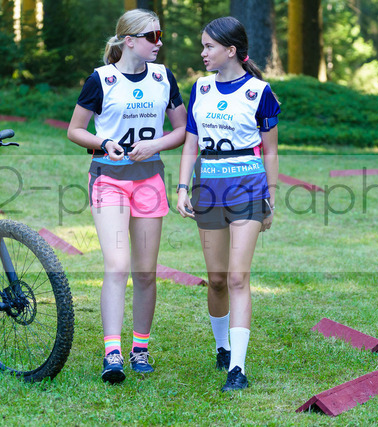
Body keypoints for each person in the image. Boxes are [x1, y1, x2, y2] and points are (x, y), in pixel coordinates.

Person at [67, 9, 187, 384]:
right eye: (153, 36)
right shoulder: (101, 79)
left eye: (160, 35)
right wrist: (103, 142)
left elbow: (182, 130)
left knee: (145, 272)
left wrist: (154, 145)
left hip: (149, 180)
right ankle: (112, 352)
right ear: (130, 41)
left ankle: (140, 348)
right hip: (109, 180)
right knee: (117, 266)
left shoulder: (163, 77)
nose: (159, 42)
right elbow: (75, 130)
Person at [176, 16, 280, 392]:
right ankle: (222, 348)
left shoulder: (260, 91)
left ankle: (238, 367)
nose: (203, 53)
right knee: (217, 279)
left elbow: (271, 151)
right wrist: (182, 187)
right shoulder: (201, 88)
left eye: (209, 46)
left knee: (238, 277)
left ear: (231, 50)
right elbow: (191, 141)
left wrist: (270, 196)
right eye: (203, 46)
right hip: (208, 190)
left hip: (248, 190)